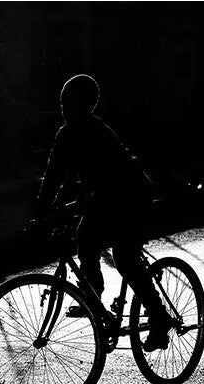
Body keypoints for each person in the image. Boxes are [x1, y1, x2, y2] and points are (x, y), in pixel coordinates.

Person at [36, 73, 173, 352]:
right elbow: (55, 177)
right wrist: (43, 211)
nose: (65, 109)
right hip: (103, 200)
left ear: (88, 106)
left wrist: (73, 205)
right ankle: (93, 297)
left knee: (124, 256)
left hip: (132, 197)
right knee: (85, 239)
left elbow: (112, 180)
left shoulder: (98, 133)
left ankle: (160, 319)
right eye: (63, 103)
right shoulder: (65, 135)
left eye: (71, 103)